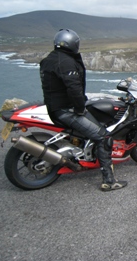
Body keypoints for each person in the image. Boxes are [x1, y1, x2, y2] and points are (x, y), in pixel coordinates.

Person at [40, 29, 127, 191]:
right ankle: (109, 181)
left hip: (54, 108)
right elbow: (74, 89)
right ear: (72, 44)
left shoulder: (48, 60)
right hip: (66, 110)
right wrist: (80, 109)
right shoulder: (65, 62)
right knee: (104, 137)